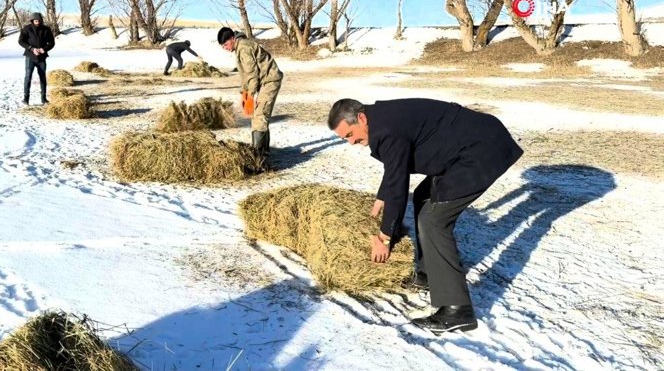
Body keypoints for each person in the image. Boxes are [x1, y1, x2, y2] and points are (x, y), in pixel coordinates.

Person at [327, 98, 523, 334]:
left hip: (481, 150)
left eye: (349, 135)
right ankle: (429, 273)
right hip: (466, 147)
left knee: (433, 220)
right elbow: (395, 167)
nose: (351, 142)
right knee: (423, 196)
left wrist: (385, 237)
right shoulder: (381, 119)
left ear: (360, 118)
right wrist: (383, 195)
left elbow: (399, 185)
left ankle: (457, 310)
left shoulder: (386, 129)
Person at [217, 27, 283, 161]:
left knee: (260, 115)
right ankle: (263, 151)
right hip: (265, 81)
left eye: (225, 44)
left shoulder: (244, 48)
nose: (225, 48)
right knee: (258, 115)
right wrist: (244, 92)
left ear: (232, 39)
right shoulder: (240, 47)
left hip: (270, 80)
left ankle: (259, 156)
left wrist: (250, 96)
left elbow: (252, 75)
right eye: (222, 46)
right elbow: (245, 75)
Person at [18, 12, 55, 105]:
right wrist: (31, 48)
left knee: (42, 77)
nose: (37, 22)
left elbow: (52, 42)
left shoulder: (46, 29)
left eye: (39, 20)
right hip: (30, 56)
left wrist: (44, 49)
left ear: (41, 20)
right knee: (28, 77)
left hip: (42, 57)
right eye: (35, 20)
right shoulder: (27, 29)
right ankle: (26, 99)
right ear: (32, 20)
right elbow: (21, 41)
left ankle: (44, 99)